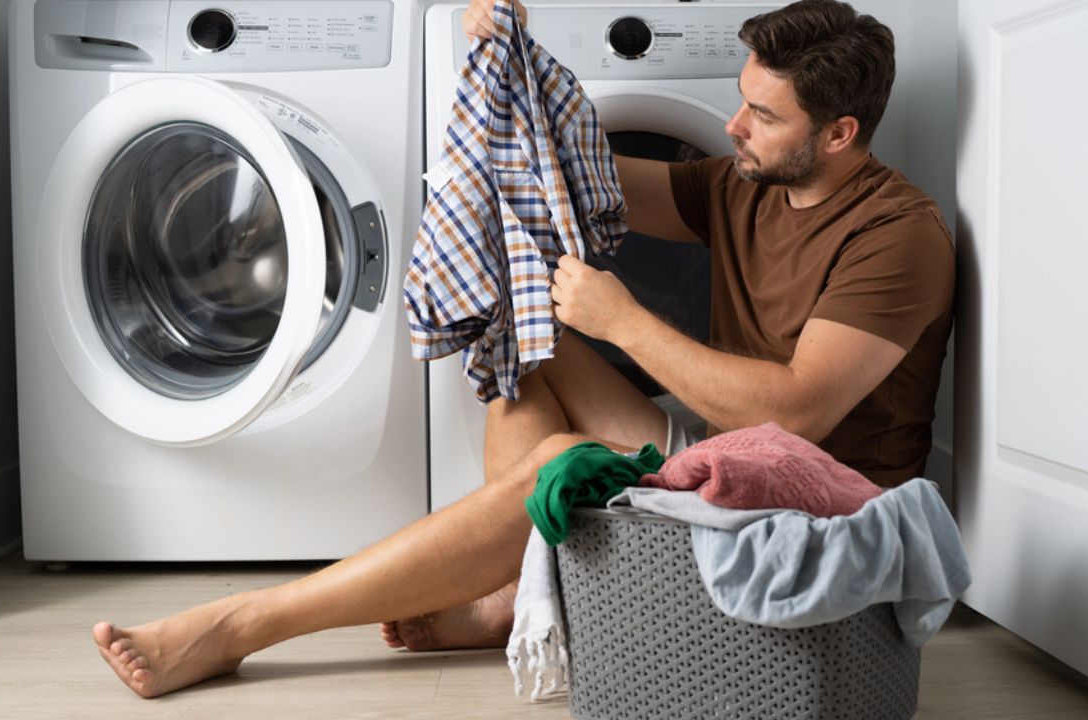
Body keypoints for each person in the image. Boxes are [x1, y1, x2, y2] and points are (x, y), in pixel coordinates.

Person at [93, 0, 953, 698]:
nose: (732, 126)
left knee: (563, 464)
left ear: (838, 134)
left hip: (814, 503)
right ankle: (508, 594)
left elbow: (798, 415)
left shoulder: (896, 235)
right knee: (524, 332)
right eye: (739, 99)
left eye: (762, 115)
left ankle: (244, 623)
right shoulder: (743, 184)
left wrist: (626, 323)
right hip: (727, 461)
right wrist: (510, 65)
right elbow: (571, 171)